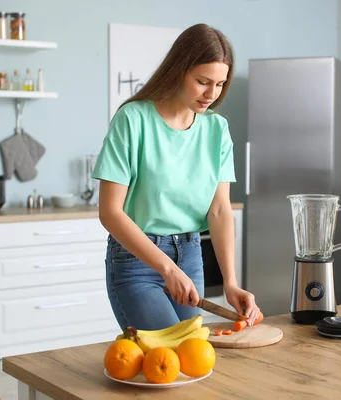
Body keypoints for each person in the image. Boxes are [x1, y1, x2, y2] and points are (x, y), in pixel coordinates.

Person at [92, 23, 261, 331]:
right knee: (173, 356)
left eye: (220, 84)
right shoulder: (132, 120)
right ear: (179, 70)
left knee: (193, 359)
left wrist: (231, 283)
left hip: (191, 255)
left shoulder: (216, 130)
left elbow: (220, 209)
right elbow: (110, 212)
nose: (212, 94)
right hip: (136, 260)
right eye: (202, 81)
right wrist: (166, 268)